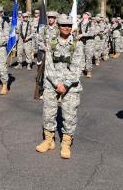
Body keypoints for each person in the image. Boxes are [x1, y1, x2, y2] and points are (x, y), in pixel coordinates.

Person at [35, 14, 84, 159]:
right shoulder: (51, 43)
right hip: (51, 84)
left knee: (69, 115)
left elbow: (77, 68)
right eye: (63, 25)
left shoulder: (77, 44)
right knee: (48, 113)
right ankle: (49, 140)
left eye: (69, 25)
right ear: (58, 26)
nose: (66, 28)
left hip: (71, 86)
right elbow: (48, 66)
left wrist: (66, 85)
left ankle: (66, 142)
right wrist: (57, 83)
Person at [76, 12, 95, 78]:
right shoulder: (80, 23)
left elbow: (92, 33)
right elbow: (77, 31)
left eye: (86, 14)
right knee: (81, 56)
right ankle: (81, 70)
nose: (84, 15)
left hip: (89, 41)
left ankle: (88, 71)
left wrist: (82, 35)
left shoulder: (91, 23)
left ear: (88, 16)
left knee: (88, 56)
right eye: (84, 14)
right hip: (81, 41)